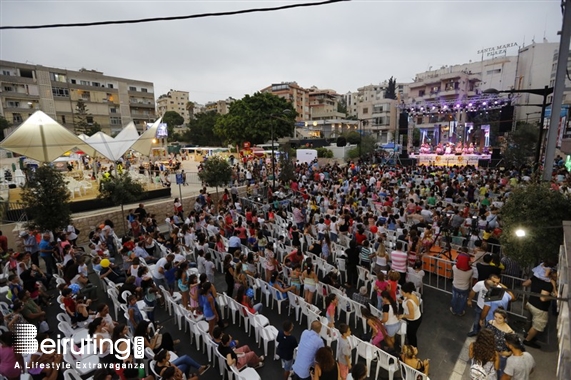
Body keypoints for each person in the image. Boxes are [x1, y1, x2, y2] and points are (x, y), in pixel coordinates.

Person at [521, 271, 555, 349]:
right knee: (538, 325)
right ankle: (528, 340)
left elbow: (525, 284)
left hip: (531, 303)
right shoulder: (548, 284)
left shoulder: (536, 277)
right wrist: (552, 297)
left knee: (533, 321)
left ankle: (529, 334)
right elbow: (543, 298)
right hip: (540, 308)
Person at [399, 281, 422, 347]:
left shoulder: (409, 302)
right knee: (411, 334)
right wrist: (402, 301)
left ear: (407, 292)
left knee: (411, 335)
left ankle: (413, 348)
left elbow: (412, 316)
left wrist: (403, 315)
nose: (401, 293)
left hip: (414, 320)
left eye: (402, 292)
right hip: (417, 317)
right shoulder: (412, 294)